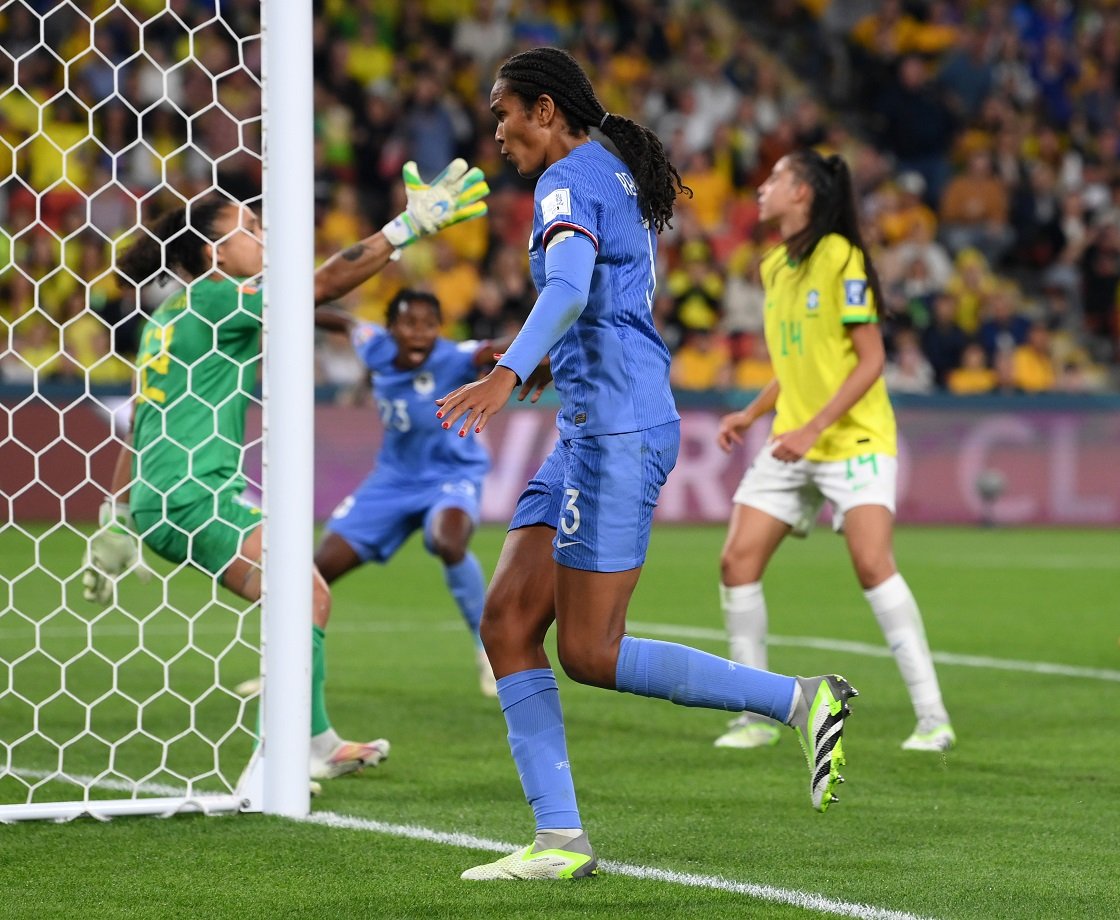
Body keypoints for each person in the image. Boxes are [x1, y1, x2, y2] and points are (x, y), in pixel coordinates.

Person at [434, 47, 856, 882]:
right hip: (594, 422)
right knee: (508, 625)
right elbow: (604, 299)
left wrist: (508, 371)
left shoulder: (565, 183)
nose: (498, 131)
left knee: (591, 651)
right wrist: (555, 363)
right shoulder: (606, 171)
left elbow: (565, 290)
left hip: (615, 432)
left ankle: (802, 700)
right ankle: (558, 842)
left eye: (503, 112)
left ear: (545, 110)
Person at [82, 158, 490, 781]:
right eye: (249, 225)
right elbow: (320, 287)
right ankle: (271, 765)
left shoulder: (167, 317)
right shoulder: (221, 297)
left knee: (309, 594)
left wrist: (117, 513)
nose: (265, 233)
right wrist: (405, 227)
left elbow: (142, 417)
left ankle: (317, 741)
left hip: (166, 497)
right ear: (215, 254)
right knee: (302, 595)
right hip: (196, 496)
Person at [712, 149, 955, 754]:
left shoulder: (841, 257)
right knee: (736, 563)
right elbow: (798, 362)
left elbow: (871, 360)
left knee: (873, 565)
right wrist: (752, 412)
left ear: (803, 195)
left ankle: (933, 718)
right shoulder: (773, 267)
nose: (762, 188)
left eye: (774, 180)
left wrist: (814, 428)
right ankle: (758, 714)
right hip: (794, 436)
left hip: (853, 439)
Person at [312, 289, 500, 698]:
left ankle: (489, 649)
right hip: (391, 481)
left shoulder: (453, 357)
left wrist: (533, 356)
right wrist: (293, 307)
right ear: (391, 326)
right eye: (409, 324)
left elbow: (491, 350)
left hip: (450, 475)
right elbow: (342, 321)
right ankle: (287, 668)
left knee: (449, 543)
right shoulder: (372, 345)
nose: (419, 334)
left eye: (429, 325)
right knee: (313, 571)